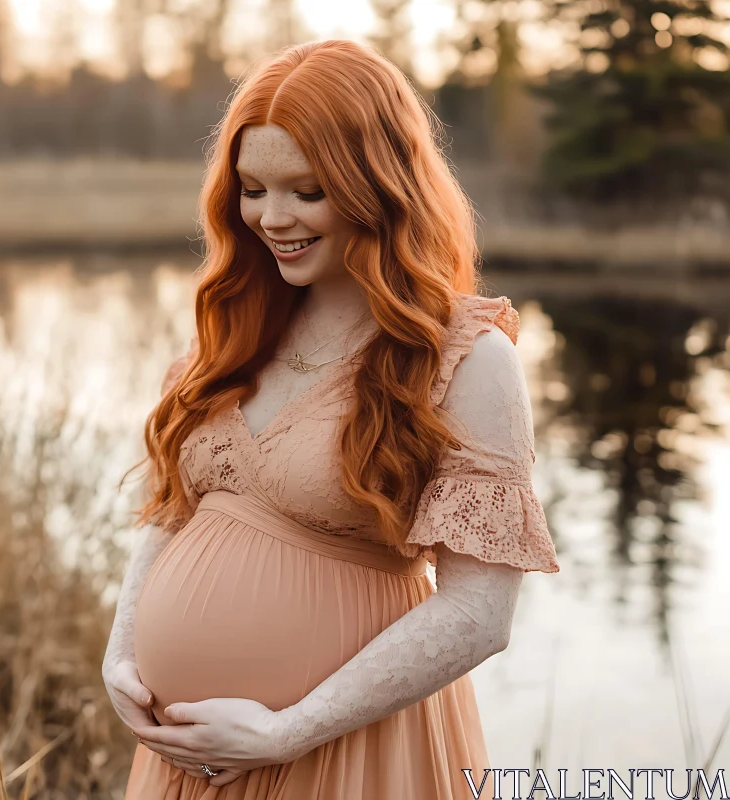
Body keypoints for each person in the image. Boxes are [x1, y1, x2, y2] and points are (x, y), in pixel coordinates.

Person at [102, 39, 560, 800]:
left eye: (306, 191)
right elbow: (172, 516)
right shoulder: (233, 332)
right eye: (252, 189)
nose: (271, 218)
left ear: (376, 185)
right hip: (186, 756)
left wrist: (287, 731)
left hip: (346, 753)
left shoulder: (464, 358)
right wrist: (122, 658)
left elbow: (480, 613)